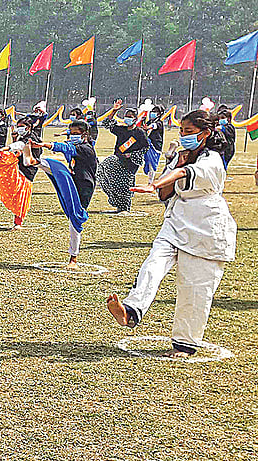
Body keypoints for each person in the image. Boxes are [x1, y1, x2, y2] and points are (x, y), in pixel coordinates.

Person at [107, 110, 236, 357]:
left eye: (189, 132)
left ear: (205, 134)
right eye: (182, 131)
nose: (184, 136)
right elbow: (166, 194)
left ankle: (185, 343)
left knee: (195, 288)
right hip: (177, 220)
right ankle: (132, 310)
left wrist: (157, 181)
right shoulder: (180, 156)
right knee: (153, 263)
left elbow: (185, 175)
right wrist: (174, 165)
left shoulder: (213, 160)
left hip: (207, 226)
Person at [32, 119, 99, 268]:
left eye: (77, 134)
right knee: (57, 168)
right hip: (72, 179)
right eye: (71, 133)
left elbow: (65, 148)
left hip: (84, 187)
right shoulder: (75, 145)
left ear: (85, 135)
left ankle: (73, 258)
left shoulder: (86, 148)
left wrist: (45, 145)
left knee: (75, 218)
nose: (73, 136)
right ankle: (36, 162)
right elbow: (67, 148)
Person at [0, 116, 43, 229]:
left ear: (28, 127)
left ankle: (18, 222)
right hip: (19, 166)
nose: (19, 128)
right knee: (11, 186)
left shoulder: (31, 137)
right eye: (18, 126)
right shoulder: (23, 136)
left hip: (28, 170)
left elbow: (19, 146)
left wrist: (2, 149)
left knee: (21, 196)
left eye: (21, 127)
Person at [96, 100, 148, 212]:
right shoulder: (121, 130)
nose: (127, 118)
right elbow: (107, 123)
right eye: (126, 116)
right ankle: (119, 206)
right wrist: (114, 110)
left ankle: (125, 207)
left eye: (130, 116)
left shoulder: (140, 132)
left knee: (126, 184)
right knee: (113, 180)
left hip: (131, 162)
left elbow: (145, 147)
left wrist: (132, 155)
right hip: (118, 159)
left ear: (135, 118)